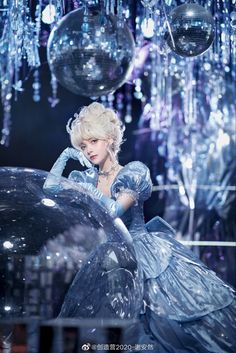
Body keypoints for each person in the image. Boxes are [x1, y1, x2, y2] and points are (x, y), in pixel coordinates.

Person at [44, 102, 236, 352]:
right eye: (83, 145)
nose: (88, 150)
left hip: (143, 254)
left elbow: (114, 211)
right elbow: (49, 187)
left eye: (93, 141)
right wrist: (66, 155)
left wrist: (90, 191)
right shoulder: (85, 177)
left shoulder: (132, 173)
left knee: (158, 323)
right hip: (109, 258)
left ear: (110, 139)